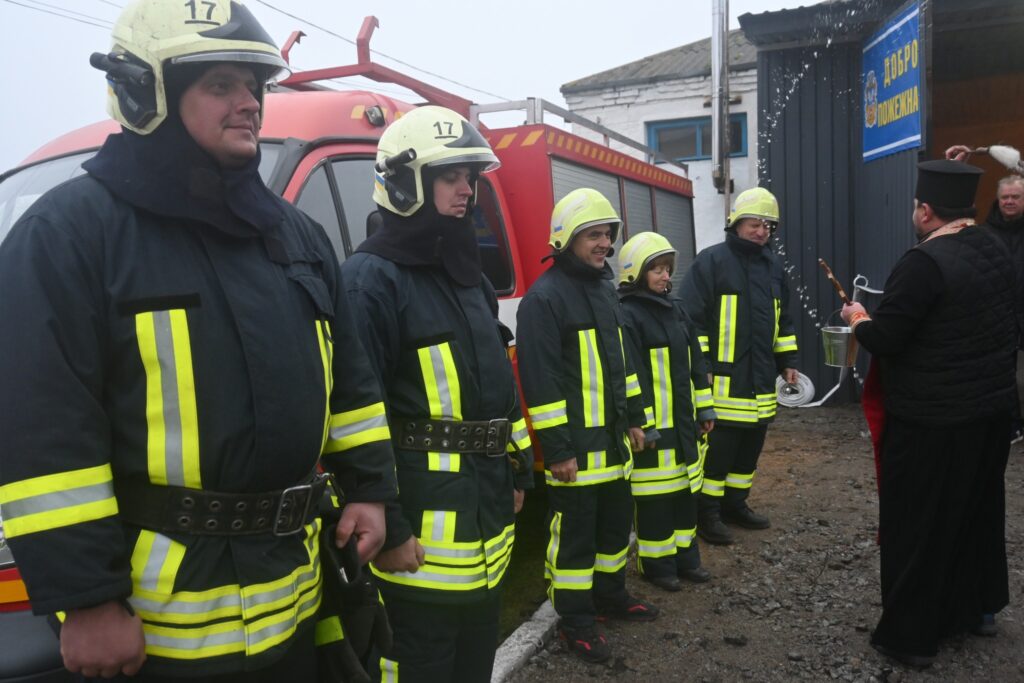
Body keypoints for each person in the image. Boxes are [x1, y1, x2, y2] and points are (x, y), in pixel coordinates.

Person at [0, 1, 397, 680]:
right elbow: (45, 434)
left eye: (256, 86)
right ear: (144, 90)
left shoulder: (293, 236)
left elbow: (350, 381)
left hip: (298, 605)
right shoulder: (68, 235)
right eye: (221, 85)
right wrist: (88, 598)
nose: (250, 103)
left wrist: (370, 488)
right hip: (159, 636)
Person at [340, 105, 534, 683]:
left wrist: (519, 470)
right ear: (404, 182)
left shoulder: (468, 275)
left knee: (473, 664)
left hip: (485, 528)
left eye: (470, 178)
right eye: (450, 177)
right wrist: (392, 529)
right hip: (418, 542)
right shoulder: (370, 279)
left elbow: (496, 388)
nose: (466, 191)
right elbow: (356, 415)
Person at [841, 159, 1017, 668]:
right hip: (989, 413)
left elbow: (888, 337)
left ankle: (909, 637)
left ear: (925, 210)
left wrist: (858, 319)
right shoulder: (994, 247)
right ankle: (977, 609)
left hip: (932, 421)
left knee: (919, 525)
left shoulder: (924, 262)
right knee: (977, 512)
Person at [516, 188, 658, 664]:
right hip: (576, 451)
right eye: (593, 235)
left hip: (614, 447)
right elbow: (541, 381)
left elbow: (624, 367)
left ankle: (610, 597)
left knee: (615, 532)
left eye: (607, 235)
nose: (604, 244)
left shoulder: (604, 289)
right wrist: (557, 450)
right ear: (566, 239)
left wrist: (637, 421)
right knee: (575, 541)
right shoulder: (544, 299)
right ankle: (574, 622)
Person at [679, 187, 798, 545]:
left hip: (760, 382)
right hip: (723, 382)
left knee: (749, 450)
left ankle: (736, 505)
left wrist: (787, 361)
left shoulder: (774, 267)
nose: (762, 231)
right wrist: (703, 365)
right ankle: (708, 514)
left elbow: (784, 320)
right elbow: (691, 320)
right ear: (736, 222)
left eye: (768, 226)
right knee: (718, 454)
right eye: (755, 223)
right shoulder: (711, 262)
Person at [617, 232, 716, 591]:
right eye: (655, 269)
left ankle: (686, 559)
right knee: (655, 501)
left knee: (684, 495)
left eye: (666, 269)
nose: (664, 276)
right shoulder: (627, 315)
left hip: (684, 426)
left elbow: (697, 363)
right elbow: (631, 375)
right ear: (635, 273)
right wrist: (640, 423)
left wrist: (705, 408)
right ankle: (657, 566)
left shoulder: (677, 309)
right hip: (654, 429)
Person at [946, 145, 1024, 443]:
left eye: (1015, 197)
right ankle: (1011, 425)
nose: (1009, 202)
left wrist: (991, 151)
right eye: (1004, 197)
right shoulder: (986, 232)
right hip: (1001, 312)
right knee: (1002, 373)